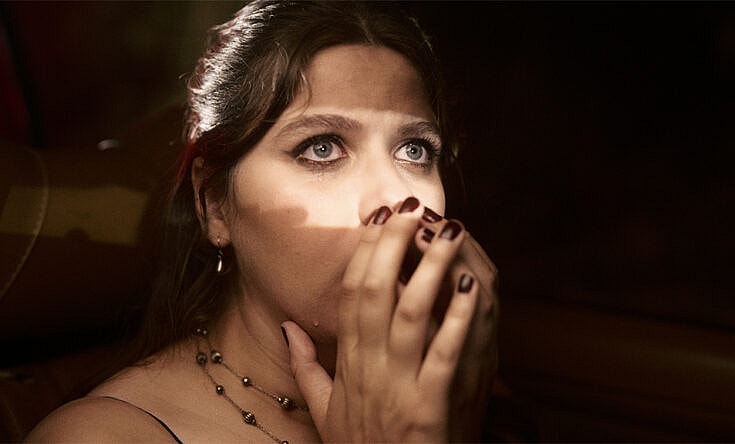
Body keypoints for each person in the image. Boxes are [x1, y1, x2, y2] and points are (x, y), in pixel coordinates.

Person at [27, 1, 499, 442]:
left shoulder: (453, 396)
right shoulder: (101, 435)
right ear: (215, 203)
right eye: (321, 148)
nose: (395, 198)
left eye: (414, 151)